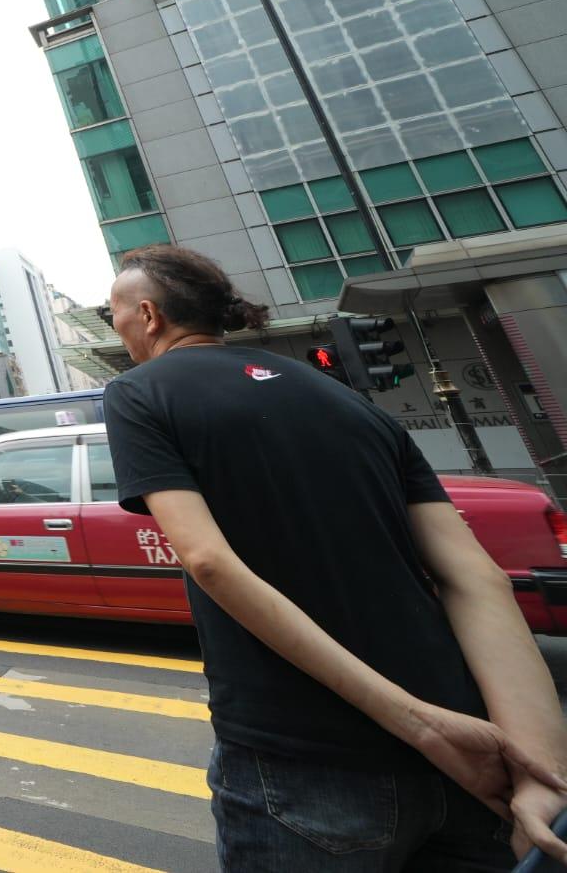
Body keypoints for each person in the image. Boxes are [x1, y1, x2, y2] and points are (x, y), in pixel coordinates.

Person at [103, 244, 567, 868]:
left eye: (115, 314)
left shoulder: (139, 392)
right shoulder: (345, 398)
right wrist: (542, 772)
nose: (117, 328)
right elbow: (477, 578)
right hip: (470, 764)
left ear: (150, 316)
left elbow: (209, 561)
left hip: (309, 761)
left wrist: (422, 725)